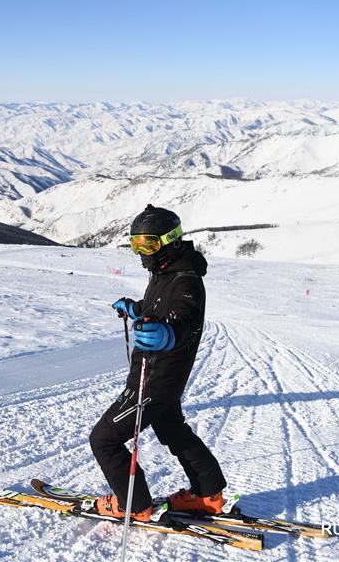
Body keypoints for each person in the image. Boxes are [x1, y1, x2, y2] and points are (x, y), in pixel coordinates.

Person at [89, 204, 227, 521]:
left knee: (104, 439)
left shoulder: (185, 281)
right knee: (173, 430)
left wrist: (167, 334)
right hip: (165, 377)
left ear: (170, 240)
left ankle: (134, 506)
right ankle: (209, 494)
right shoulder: (164, 272)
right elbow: (159, 308)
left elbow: (183, 319)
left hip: (155, 378)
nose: (142, 252)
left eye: (148, 244)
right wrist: (136, 309)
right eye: (136, 244)